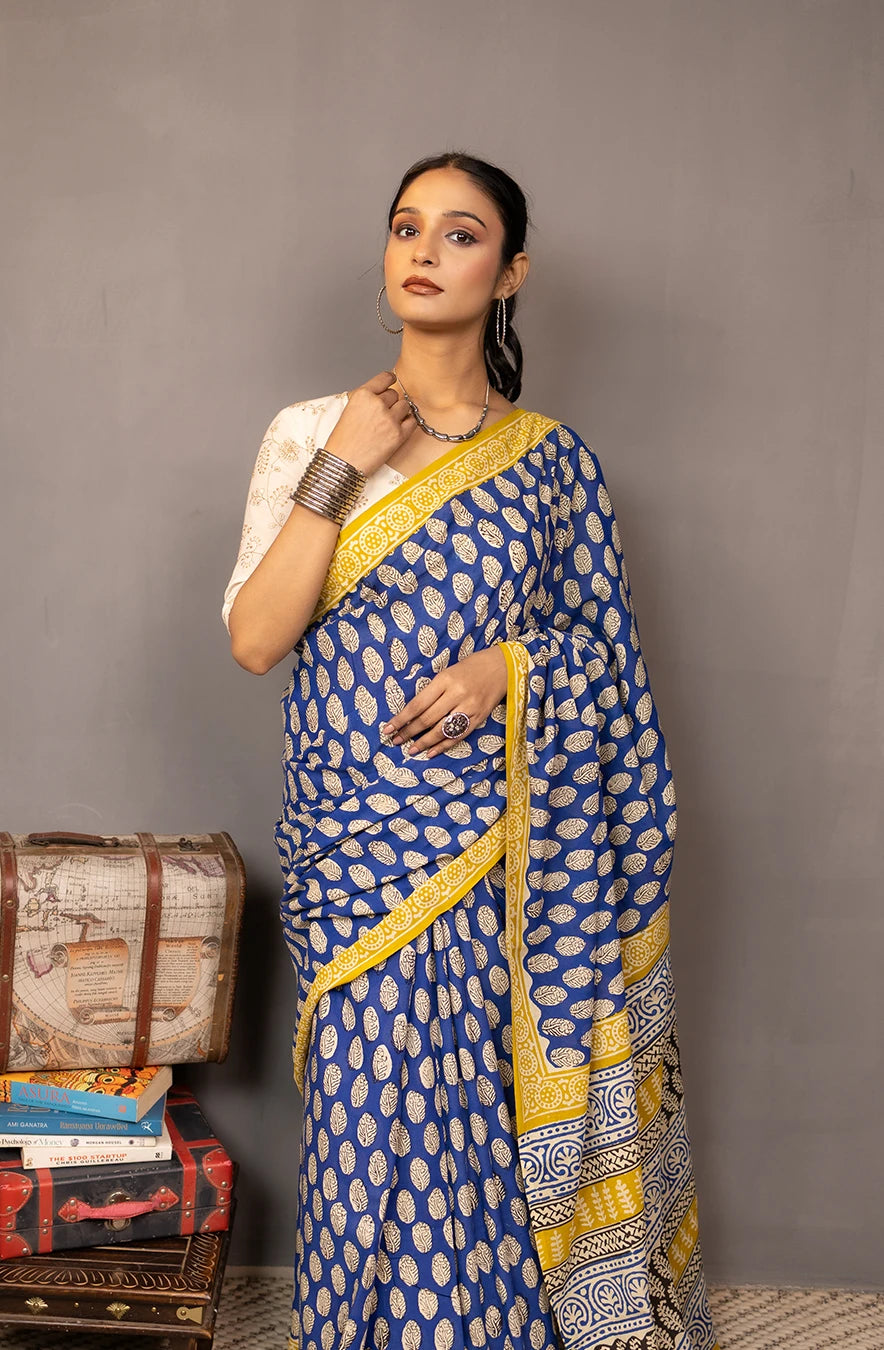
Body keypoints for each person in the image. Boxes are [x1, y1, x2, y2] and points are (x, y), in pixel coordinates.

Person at [223, 152, 719, 1350]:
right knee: (363, 1116)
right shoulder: (308, 433)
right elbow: (256, 638)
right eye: (406, 227)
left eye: (460, 233)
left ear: (511, 273)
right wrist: (345, 457)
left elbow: (608, 663)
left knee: (472, 1119)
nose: (425, 252)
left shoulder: (553, 464)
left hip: (505, 849)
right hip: (356, 838)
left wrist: (514, 670)